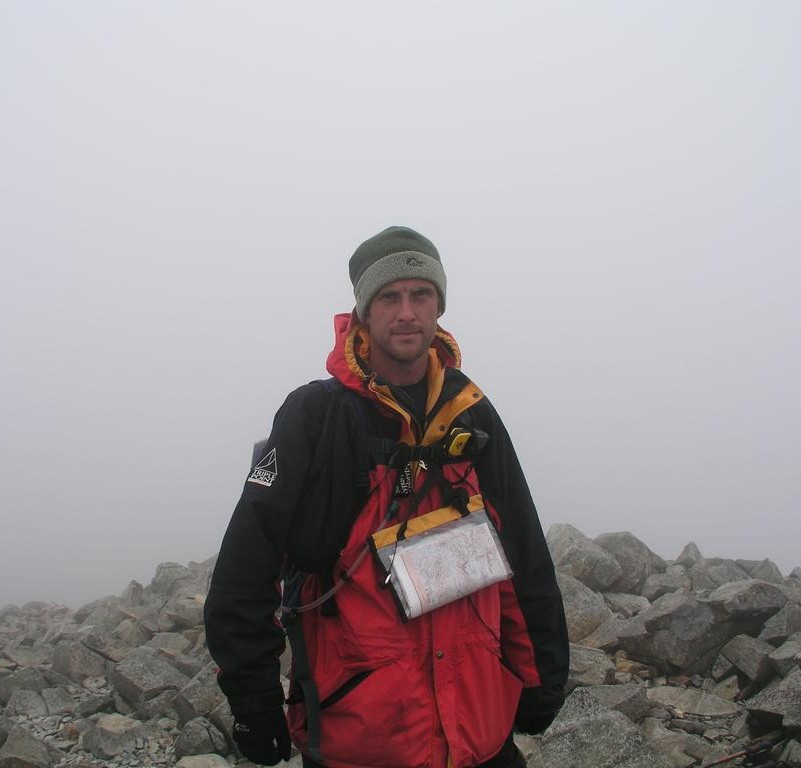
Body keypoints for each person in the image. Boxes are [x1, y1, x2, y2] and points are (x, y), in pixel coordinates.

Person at [204, 226, 569, 768]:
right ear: (363, 314)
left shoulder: (471, 415)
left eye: (420, 295)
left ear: (438, 308)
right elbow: (247, 562)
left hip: (478, 733)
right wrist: (253, 700)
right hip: (364, 740)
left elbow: (523, 552)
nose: (406, 312)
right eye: (389, 297)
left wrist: (543, 673)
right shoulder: (318, 418)